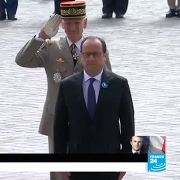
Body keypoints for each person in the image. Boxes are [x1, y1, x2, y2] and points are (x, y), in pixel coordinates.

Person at [15, 1, 112, 180]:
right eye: (68, 23)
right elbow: (22, 60)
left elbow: (108, 83)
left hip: (88, 119)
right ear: (62, 25)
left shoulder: (95, 48)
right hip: (57, 119)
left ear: (85, 23)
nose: (73, 28)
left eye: (77, 22)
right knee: (59, 173)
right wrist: (42, 36)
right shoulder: (51, 47)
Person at [54, 36, 135, 180]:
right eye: (87, 54)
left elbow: (128, 124)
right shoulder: (68, 86)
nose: (91, 58)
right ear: (81, 56)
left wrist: (126, 160)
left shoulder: (119, 84)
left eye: (96, 54)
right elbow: (59, 126)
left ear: (105, 56)